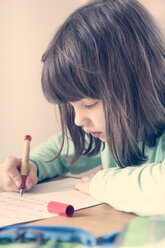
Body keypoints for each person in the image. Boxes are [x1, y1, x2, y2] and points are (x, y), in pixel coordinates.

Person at [0, 0, 165, 216]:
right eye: (72, 106)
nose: (78, 120)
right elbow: (60, 149)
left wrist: (100, 183)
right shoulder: (107, 133)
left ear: (137, 84)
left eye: (89, 104)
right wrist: (32, 165)